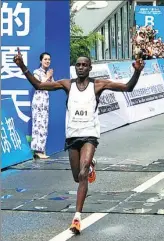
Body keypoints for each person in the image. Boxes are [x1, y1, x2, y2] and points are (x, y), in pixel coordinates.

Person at [13, 48, 145, 235]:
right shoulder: (67, 84)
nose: (81, 67)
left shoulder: (98, 84)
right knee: (77, 176)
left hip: (90, 134)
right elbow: (39, 86)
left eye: (84, 65)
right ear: (75, 68)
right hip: (72, 135)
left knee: (82, 174)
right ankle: (89, 166)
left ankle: (77, 217)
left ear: (90, 68)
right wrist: (22, 66)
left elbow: (128, 88)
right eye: (78, 65)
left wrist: (137, 71)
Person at [31, 52, 54, 159]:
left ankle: (41, 149)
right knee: (38, 126)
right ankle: (37, 150)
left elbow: (53, 85)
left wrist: (50, 77)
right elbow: (38, 85)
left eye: (49, 59)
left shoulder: (48, 73)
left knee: (44, 125)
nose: (47, 61)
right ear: (41, 61)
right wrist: (47, 77)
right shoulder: (36, 72)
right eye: (45, 59)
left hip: (45, 102)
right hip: (38, 102)